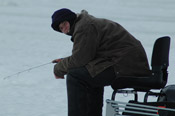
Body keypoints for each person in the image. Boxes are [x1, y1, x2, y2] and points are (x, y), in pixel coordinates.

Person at [51, 8, 151, 116]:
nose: (64, 29)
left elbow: (80, 59)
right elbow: (85, 55)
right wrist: (65, 61)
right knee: (90, 72)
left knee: (75, 76)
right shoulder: (85, 23)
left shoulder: (84, 27)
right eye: (61, 28)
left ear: (70, 19)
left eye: (64, 24)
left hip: (126, 64)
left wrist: (59, 69)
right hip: (128, 62)